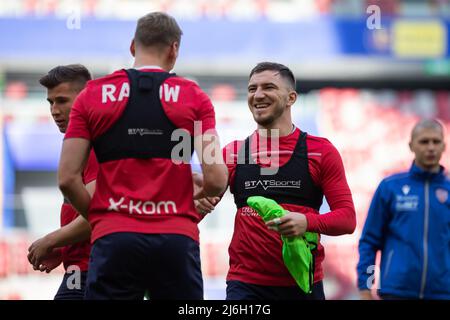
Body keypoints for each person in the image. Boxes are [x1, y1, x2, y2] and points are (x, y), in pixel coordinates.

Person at [58, 12, 228, 300]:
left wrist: (102, 218)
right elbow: (217, 177)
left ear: (133, 46)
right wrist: (193, 192)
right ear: (174, 49)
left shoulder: (92, 95)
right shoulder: (194, 97)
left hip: (114, 239)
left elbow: (67, 179)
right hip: (176, 240)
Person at [195, 62, 356, 300]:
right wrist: (195, 204)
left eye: (268, 87)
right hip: (246, 286)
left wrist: (306, 222)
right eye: (252, 89)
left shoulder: (320, 151)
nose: (258, 95)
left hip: (304, 283)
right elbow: (197, 210)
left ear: (291, 98)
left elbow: (347, 219)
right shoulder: (234, 153)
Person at [27, 64, 98, 300]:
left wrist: (49, 241)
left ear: (86, 99)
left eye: (62, 101)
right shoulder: (78, 144)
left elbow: (98, 214)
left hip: (96, 269)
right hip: (79, 268)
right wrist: (64, 247)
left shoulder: (98, 145)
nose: (54, 110)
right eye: (51, 103)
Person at [357, 119, 450, 300]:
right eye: (424, 141)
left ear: (444, 145)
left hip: (443, 293)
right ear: (411, 145)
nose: (430, 147)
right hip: (397, 292)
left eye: (436, 141)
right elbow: (369, 241)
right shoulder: (390, 187)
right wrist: (365, 287)